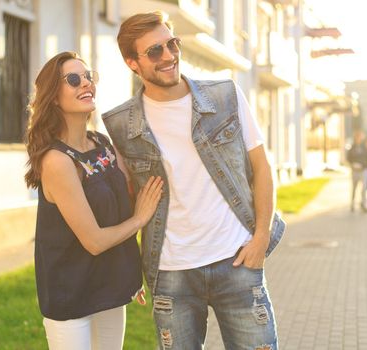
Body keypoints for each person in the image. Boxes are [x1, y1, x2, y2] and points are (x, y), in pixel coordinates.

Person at [102, 11, 284, 349]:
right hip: (172, 273)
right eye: (154, 51)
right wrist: (132, 268)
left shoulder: (225, 96)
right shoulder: (120, 125)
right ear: (132, 63)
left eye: (172, 44)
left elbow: (262, 166)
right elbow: (125, 200)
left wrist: (260, 237)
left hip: (237, 259)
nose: (169, 56)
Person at [24, 51, 163, 350]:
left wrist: (130, 273)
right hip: (71, 296)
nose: (86, 83)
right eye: (74, 79)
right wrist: (140, 219)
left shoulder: (102, 143)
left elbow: (122, 206)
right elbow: (95, 241)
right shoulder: (57, 161)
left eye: (89, 76)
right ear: (54, 96)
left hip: (110, 288)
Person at [347, 130, 367, 212]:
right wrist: (352, 164)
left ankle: (363, 203)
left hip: (363, 170)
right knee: (354, 188)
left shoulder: (364, 147)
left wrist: (363, 165)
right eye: (357, 136)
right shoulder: (352, 147)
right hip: (355, 171)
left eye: (360, 136)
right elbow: (348, 158)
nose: (359, 138)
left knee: (364, 188)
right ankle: (352, 203)